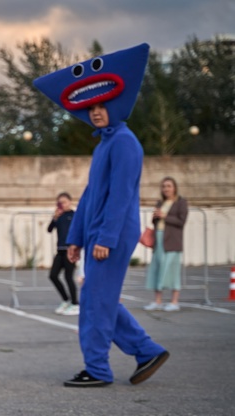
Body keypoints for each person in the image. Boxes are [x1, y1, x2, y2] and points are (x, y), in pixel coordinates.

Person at [34, 43, 168, 387]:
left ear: (117, 104)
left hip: (114, 234)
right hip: (97, 234)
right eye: (91, 107)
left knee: (95, 302)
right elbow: (91, 196)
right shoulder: (105, 142)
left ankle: (97, 369)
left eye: (102, 105)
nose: (96, 112)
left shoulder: (124, 142)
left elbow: (121, 197)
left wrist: (106, 239)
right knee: (100, 297)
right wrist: (75, 239)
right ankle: (146, 350)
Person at [144, 177, 189, 312]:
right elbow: (156, 222)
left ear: (174, 188)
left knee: (172, 270)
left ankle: (174, 302)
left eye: (169, 186)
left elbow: (181, 221)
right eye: (164, 186)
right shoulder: (160, 202)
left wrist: (164, 216)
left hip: (173, 241)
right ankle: (158, 301)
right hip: (159, 239)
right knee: (157, 269)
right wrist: (155, 217)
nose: (166, 189)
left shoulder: (181, 203)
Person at [47, 192, 79, 316]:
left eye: (64, 202)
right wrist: (54, 218)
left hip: (70, 250)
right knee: (53, 275)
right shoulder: (59, 216)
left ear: (70, 202)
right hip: (60, 250)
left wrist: (76, 247)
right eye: (60, 203)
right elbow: (49, 230)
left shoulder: (74, 215)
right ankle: (66, 300)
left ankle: (75, 303)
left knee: (68, 277)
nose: (63, 205)